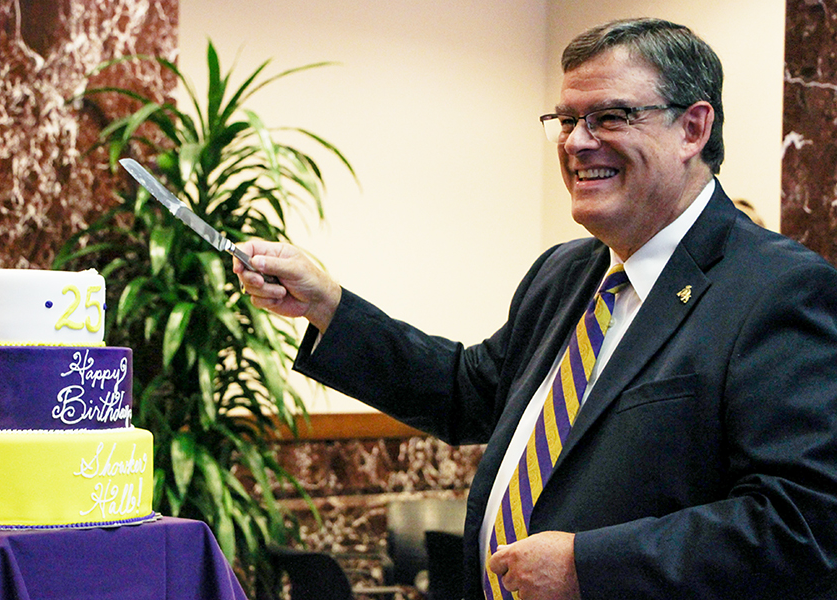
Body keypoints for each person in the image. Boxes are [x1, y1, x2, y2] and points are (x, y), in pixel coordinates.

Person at [233, 18, 837, 600]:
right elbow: (465, 392)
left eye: (609, 117)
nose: (576, 142)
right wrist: (329, 307)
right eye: (567, 119)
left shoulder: (778, 289)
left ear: (693, 129)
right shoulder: (567, 273)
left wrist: (588, 568)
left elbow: (804, 523)